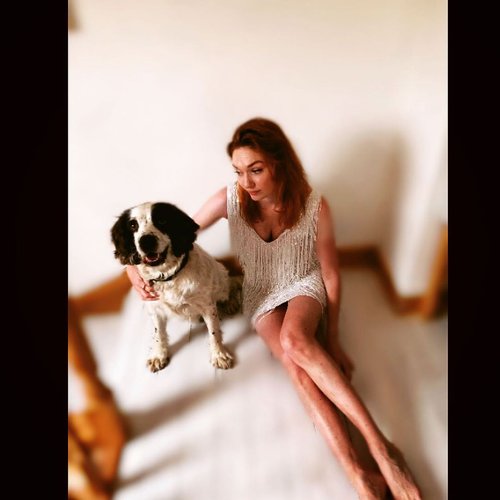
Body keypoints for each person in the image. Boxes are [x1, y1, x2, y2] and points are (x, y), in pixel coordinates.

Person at [126, 117, 422, 500]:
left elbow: (330, 274)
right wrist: (132, 268)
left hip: (303, 282)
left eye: (256, 170)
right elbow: (177, 233)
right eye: (238, 171)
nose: (246, 182)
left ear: (279, 163)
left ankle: (382, 449)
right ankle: (357, 471)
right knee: (295, 368)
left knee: (296, 340)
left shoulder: (315, 206)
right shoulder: (230, 199)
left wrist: (333, 339)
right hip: (260, 292)